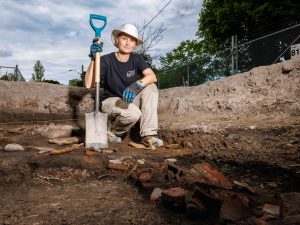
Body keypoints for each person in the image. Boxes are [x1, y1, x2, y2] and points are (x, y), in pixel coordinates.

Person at [89, 23, 163, 148]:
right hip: (111, 101)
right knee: (133, 114)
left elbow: (152, 76)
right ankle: (111, 132)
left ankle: (149, 135)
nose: (128, 43)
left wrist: (136, 86)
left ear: (135, 44)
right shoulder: (106, 60)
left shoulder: (137, 59)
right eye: (124, 38)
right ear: (117, 40)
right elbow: (89, 84)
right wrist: (93, 59)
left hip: (128, 100)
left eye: (132, 40)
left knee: (151, 87)